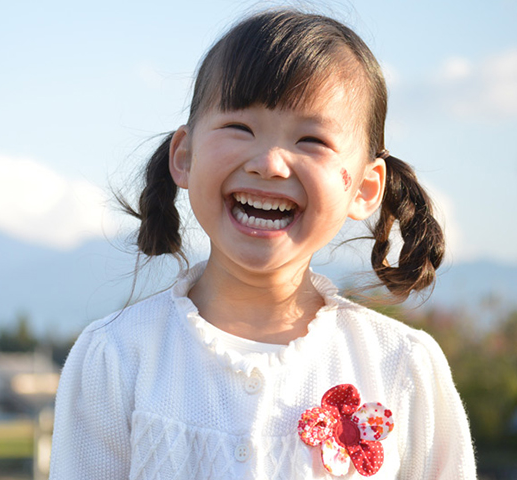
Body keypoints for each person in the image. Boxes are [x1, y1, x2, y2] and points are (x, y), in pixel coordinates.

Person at [49, 9, 476, 479]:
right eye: (239, 128)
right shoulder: (116, 357)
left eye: (311, 139)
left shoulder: (401, 366)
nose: (270, 163)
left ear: (365, 188)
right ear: (184, 156)